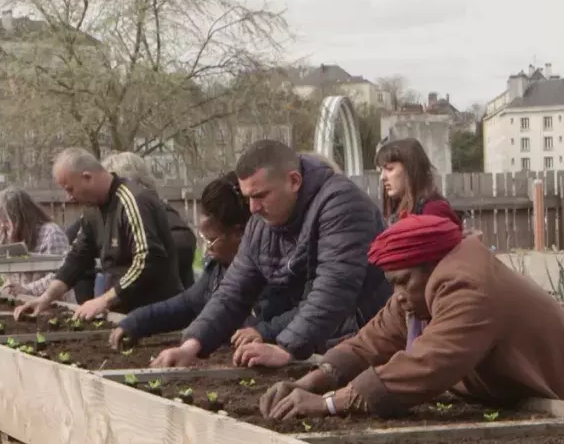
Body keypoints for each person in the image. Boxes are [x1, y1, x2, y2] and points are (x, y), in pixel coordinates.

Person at [259, 215, 564, 420]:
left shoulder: (469, 288)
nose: (398, 295)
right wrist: (309, 383)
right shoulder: (422, 290)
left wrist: (328, 404)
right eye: (393, 284)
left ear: (431, 266)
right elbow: (374, 339)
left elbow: (427, 365)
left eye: (403, 282)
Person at [152, 140, 392, 368]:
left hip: (371, 344)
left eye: (260, 196)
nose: (252, 209)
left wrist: (286, 347)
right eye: (248, 198)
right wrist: (191, 346)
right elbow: (233, 290)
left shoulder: (342, 204)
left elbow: (334, 287)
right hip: (323, 344)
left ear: (294, 181)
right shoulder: (262, 221)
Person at [109, 172, 285, 348]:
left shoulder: (273, 271)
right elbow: (186, 304)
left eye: (212, 240)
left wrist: (263, 331)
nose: (207, 247)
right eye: (203, 238)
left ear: (239, 233)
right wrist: (135, 321)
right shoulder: (218, 270)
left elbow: (299, 316)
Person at [14, 148, 183, 321]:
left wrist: (104, 300)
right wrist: (46, 297)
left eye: (70, 189)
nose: (68, 197)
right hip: (124, 313)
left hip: (156, 313)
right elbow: (78, 256)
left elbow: (147, 260)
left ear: (87, 177)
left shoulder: (133, 201)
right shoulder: (92, 211)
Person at [65, 152, 198, 299]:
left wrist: (131, 255)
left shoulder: (155, 211)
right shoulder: (101, 214)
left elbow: (180, 244)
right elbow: (78, 250)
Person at [376, 137, 461, 227]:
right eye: (381, 170)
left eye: (389, 169)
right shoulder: (396, 208)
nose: (382, 177)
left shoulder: (433, 210)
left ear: (411, 170)